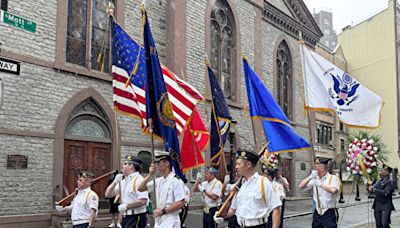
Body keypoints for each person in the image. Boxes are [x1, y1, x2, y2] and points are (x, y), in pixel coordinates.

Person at [214, 149, 282, 228]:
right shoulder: (239, 186)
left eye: (239, 164)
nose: (236, 167)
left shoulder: (263, 183)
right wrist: (221, 215)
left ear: (248, 165)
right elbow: (232, 210)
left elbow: (276, 209)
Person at [137, 150, 186, 228]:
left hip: (170, 219)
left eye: (158, 162)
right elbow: (140, 188)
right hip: (159, 220)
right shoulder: (159, 181)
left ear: (167, 163)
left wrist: (163, 211)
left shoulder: (176, 181)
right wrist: (150, 174)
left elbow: (180, 203)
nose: (156, 165)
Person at [105, 155, 148, 228]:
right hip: (125, 217)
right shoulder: (124, 181)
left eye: (125, 164)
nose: (122, 166)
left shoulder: (139, 180)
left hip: (136, 217)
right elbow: (108, 194)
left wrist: (126, 206)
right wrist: (115, 182)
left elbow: (143, 201)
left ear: (132, 166)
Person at [299, 157, 340, 228]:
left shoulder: (333, 178)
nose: (315, 169)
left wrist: (320, 184)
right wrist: (310, 177)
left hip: (329, 212)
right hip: (317, 212)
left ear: (322, 168)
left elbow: (334, 190)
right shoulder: (315, 179)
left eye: (316, 166)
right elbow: (301, 186)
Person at [367, 164, 396, 228]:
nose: (381, 171)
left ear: (387, 172)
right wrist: (369, 186)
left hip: (385, 207)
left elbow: (385, 193)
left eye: (383, 170)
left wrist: (374, 190)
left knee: (384, 224)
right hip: (377, 206)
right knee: (378, 225)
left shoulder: (390, 182)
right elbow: (373, 189)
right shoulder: (379, 181)